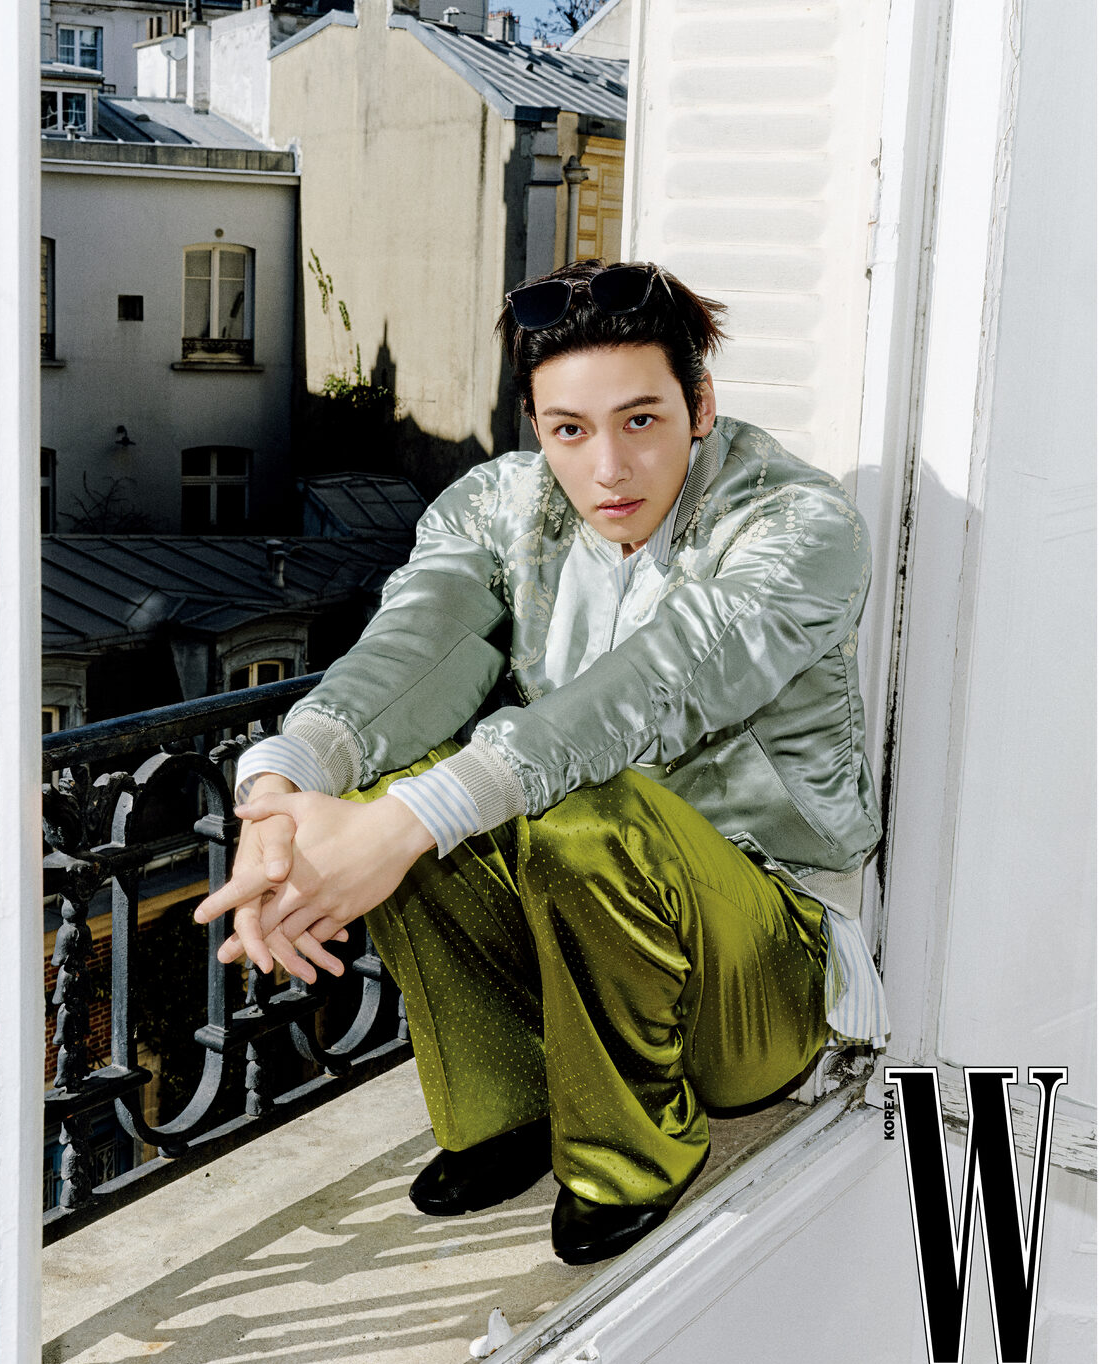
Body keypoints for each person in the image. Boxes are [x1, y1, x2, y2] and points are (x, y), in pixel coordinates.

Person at [195, 259, 889, 1266]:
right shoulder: (499, 506)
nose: (608, 468)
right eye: (569, 430)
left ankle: (632, 1153)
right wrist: (281, 792)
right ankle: (506, 1105)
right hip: (580, 932)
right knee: (394, 788)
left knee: (568, 815)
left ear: (699, 406)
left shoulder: (796, 526)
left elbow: (653, 685)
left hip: (762, 968)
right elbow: (413, 651)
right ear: (535, 427)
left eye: (640, 420)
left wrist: (404, 825)